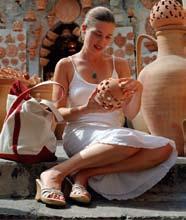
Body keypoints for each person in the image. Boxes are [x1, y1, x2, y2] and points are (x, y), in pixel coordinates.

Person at [35, 6, 177, 207]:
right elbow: (57, 114)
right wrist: (87, 108)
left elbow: (129, 112)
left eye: (108, 37)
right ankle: (55, 173)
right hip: (79, 133)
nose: (102, 42)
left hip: (114, 136)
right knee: (125, 140)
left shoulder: (119, 64)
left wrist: (138, 89)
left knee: (165, 148)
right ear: (84, 28)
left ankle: (85, 173)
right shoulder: (66, 65)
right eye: (97, 34)